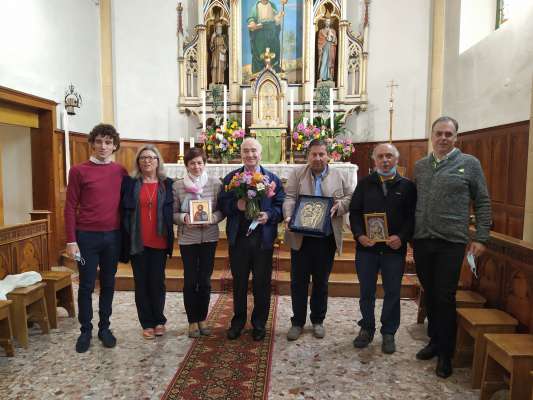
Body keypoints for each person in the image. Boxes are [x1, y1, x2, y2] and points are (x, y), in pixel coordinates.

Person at [413, 116, 491, 378]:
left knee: (445, 297)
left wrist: (481, 237)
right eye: (439, 133)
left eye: (449, 134)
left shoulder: (469, 164)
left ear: (457, 137)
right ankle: (434, 341)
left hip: (451, 241)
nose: (443, 138)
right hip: (423, 240)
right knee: (430, 293)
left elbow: (482, 201)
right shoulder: (421, 166)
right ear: (432, 136)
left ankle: (446, 353)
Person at [65, 123, 127, 353]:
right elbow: (70, 206)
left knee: (109, 283)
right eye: (99, 141)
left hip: (112, 237)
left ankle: (104, 328)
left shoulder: (120, 171)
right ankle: (85, 331)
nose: (103, 146)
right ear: (92, 143)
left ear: (115, 146)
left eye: (108, 142)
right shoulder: (78, 171)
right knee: (86, 285)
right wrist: (71, 240)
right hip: (85, 239)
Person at [349, 143, 416, 354]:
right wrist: (359, 235)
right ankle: (367, 328)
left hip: (393, 249)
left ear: (396, 159)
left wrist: (401, 237)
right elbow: (354, 212)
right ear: (374, 160)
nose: (385, 160)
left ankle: (389, 332)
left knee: (393, 292)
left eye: (389, 156)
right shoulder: (364, 184)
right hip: (367, 249)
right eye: (381, 156)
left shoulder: (407, 186)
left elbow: (412, 217)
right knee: (366, 291)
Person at [283, 139, 352, 340]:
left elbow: (351, 197)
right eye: (314, 154)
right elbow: (289, 198)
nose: (318, 158)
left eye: (321, 154)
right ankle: (297, 322)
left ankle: (318, 320)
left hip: (326, 238)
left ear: (328, 155)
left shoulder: (340, 174)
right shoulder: (297, 174)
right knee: (298, 282)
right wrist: (288, 216)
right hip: (301, 237)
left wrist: (339, 207)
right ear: (308, 156)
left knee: (321, 281)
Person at [218, 137, 284, 341]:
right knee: (238, 283)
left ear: (260, 154)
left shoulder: (271, 179)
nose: (250, 155)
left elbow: (280, 206)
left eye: (254, 151)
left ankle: (259, 324)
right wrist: (235, 206)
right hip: (239, 240)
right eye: (246, 151)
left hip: (262, 240)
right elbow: (222, 204)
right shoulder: (231, 179)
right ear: (241, 154)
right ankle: (237, 322)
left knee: (262, 283)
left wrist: (269, 216)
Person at [120, 145, 174, 340]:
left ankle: (159, 320)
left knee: (157, 282)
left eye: (151, 158)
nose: (147, 161)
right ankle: (147, 323)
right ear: (138, 162)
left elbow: (174, 210)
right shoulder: (130, 184)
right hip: (138, 241)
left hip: (159, 240)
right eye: (143, 158)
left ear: (158, 161)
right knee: (141, 283)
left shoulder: (167, 184)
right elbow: (123, 211)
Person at [173, 148, 224, 338]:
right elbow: (173, 213)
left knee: (204, 280)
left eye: (200, 162)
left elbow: (222, 210)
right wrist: (184, 218)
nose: (196, 166)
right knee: (190, 280)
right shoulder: (178, 186)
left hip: (209, 237)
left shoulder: (215, 183)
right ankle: (192, 321)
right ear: (186, 165)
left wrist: (213, 218)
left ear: (205, 164)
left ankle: (202, 318)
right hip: (188, 239)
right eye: (192, 163)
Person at [247, 0, 285, 73]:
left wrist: (279, 16)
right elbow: (251, 19)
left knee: (274, 50)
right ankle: (259, 71)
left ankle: (273, 69)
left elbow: (276, 20)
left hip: (272, 32)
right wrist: (252, 23)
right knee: (260, 52)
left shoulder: (272, 5)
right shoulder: (256, 7)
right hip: (260, 33)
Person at [317, 16, 337, 82]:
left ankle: (330, 77)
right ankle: (321, 77)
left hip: (331, 48)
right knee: (323, 62)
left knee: (330, 62)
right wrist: (320, 48)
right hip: (324, 48)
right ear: (324, 22)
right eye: (326, 21)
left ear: (330, 22)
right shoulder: (321, 31)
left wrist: (332, 36)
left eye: (328, 21)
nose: (327, 23)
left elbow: (335, 41)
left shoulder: (333, 31)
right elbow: (319, 41)